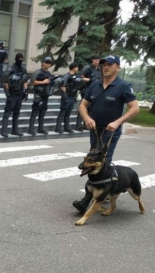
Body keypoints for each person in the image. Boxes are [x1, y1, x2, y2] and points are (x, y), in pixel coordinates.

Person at [72, 54, 139, 213]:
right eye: (103, 64)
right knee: (97, 161)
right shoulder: (95, 85)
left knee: (101, 162)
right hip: (95, 130)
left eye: (110, 64)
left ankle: (86, 201)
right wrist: (87, 117)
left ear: (118, 67)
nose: (106, 67)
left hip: (110, 131)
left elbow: (135, 108)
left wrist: (117, 122)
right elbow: (82, 105)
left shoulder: (123, 86)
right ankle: (108, 190)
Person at [0, 52, 28, 137]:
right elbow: (5, 82)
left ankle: (15, 130)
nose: (20, 60)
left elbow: (25, 81)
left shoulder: (23, 69)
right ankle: (4, 130)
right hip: (12, 94)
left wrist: (26, 92)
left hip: (19, 93)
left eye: (22, 59)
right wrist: (7, 94)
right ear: (16, 59)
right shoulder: (10, 69)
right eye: (19, 58)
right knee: (7, 112)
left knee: (17, 112)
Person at [27, 56, 53, 135]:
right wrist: (43, 82)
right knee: (35, 112)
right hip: (38, 95)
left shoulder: (48, 73)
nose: (48, 65)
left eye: (49, 63)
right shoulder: (38, 72)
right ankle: (31, 129)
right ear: (43, 63)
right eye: (46, 63)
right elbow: (32, 82)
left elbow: (50, 83)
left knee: (43, 112)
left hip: (45, 95)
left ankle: (40, 128)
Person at [75, 55, 101, 130]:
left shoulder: (99, 69)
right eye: (95, 60)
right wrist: (90, 80)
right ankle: (78, 125)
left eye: (98, 60)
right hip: (85, 90)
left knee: (90, 108)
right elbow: (80, 77)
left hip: (94, 90)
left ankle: (86, 125)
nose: (97, 62)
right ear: (92, 60)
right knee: (83, 107)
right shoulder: (88, 68)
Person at [54, 62, 81, 134]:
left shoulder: (76, 76)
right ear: (74, 67)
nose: (77, 69)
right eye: (77, 67)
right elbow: (63, 86)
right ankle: (58, 128)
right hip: (67, 96)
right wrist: (65, 96)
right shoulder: (67, 76)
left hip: (72, 96)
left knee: (68, 113)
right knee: (62, 112)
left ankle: (67, 127)